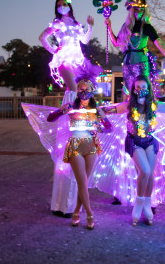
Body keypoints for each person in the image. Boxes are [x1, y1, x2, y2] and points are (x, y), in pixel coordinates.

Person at [39, 0, 101, 217]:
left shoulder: (75, 24)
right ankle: (64, 204)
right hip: (66, 61)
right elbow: (43, 38)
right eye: (58, 5)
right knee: (74, 92)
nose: (62, 7)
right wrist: (55, 50)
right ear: (56, 9)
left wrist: (91, 26)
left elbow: (84, 39)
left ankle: (69, 202)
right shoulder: (56, 24)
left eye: (64, 4)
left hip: (79, 61)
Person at [47, 76, 112, 229]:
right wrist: (61, 110)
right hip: (75, 145)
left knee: (84, 182)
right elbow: (50, 118)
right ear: (77, 92)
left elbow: (110, 128)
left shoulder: (97, 110)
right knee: (82, 181)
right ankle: (89, 214)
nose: (83, 92)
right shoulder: (71, 106)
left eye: (86, 89)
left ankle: (76, 211)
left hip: (91, 146)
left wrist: (100, 126)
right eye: (80, 89)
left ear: (92, 91)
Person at [101, 75, 159, 226]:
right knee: (145, 171)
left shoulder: (153, 104)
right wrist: (94, 110)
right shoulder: (128, 106)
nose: (140, 90)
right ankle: (139, 202)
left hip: (150, 141)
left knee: (150, 174)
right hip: (135, 142)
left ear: (148, 89)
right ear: (133, 89)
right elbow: (107, 110)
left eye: (143, 88)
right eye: (137, 87)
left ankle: (147, 203)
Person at [105, 0, 165, 94]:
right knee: (130, 93)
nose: (138, 11)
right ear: (132, 9)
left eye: (141, 9)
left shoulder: (147, 26)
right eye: (136, 9)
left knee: (142, 91)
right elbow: (116, 43)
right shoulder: (126, 26)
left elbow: (159, 43)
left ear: (145, 10)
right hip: (127, 65)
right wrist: (109, 28)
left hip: (141, 64)